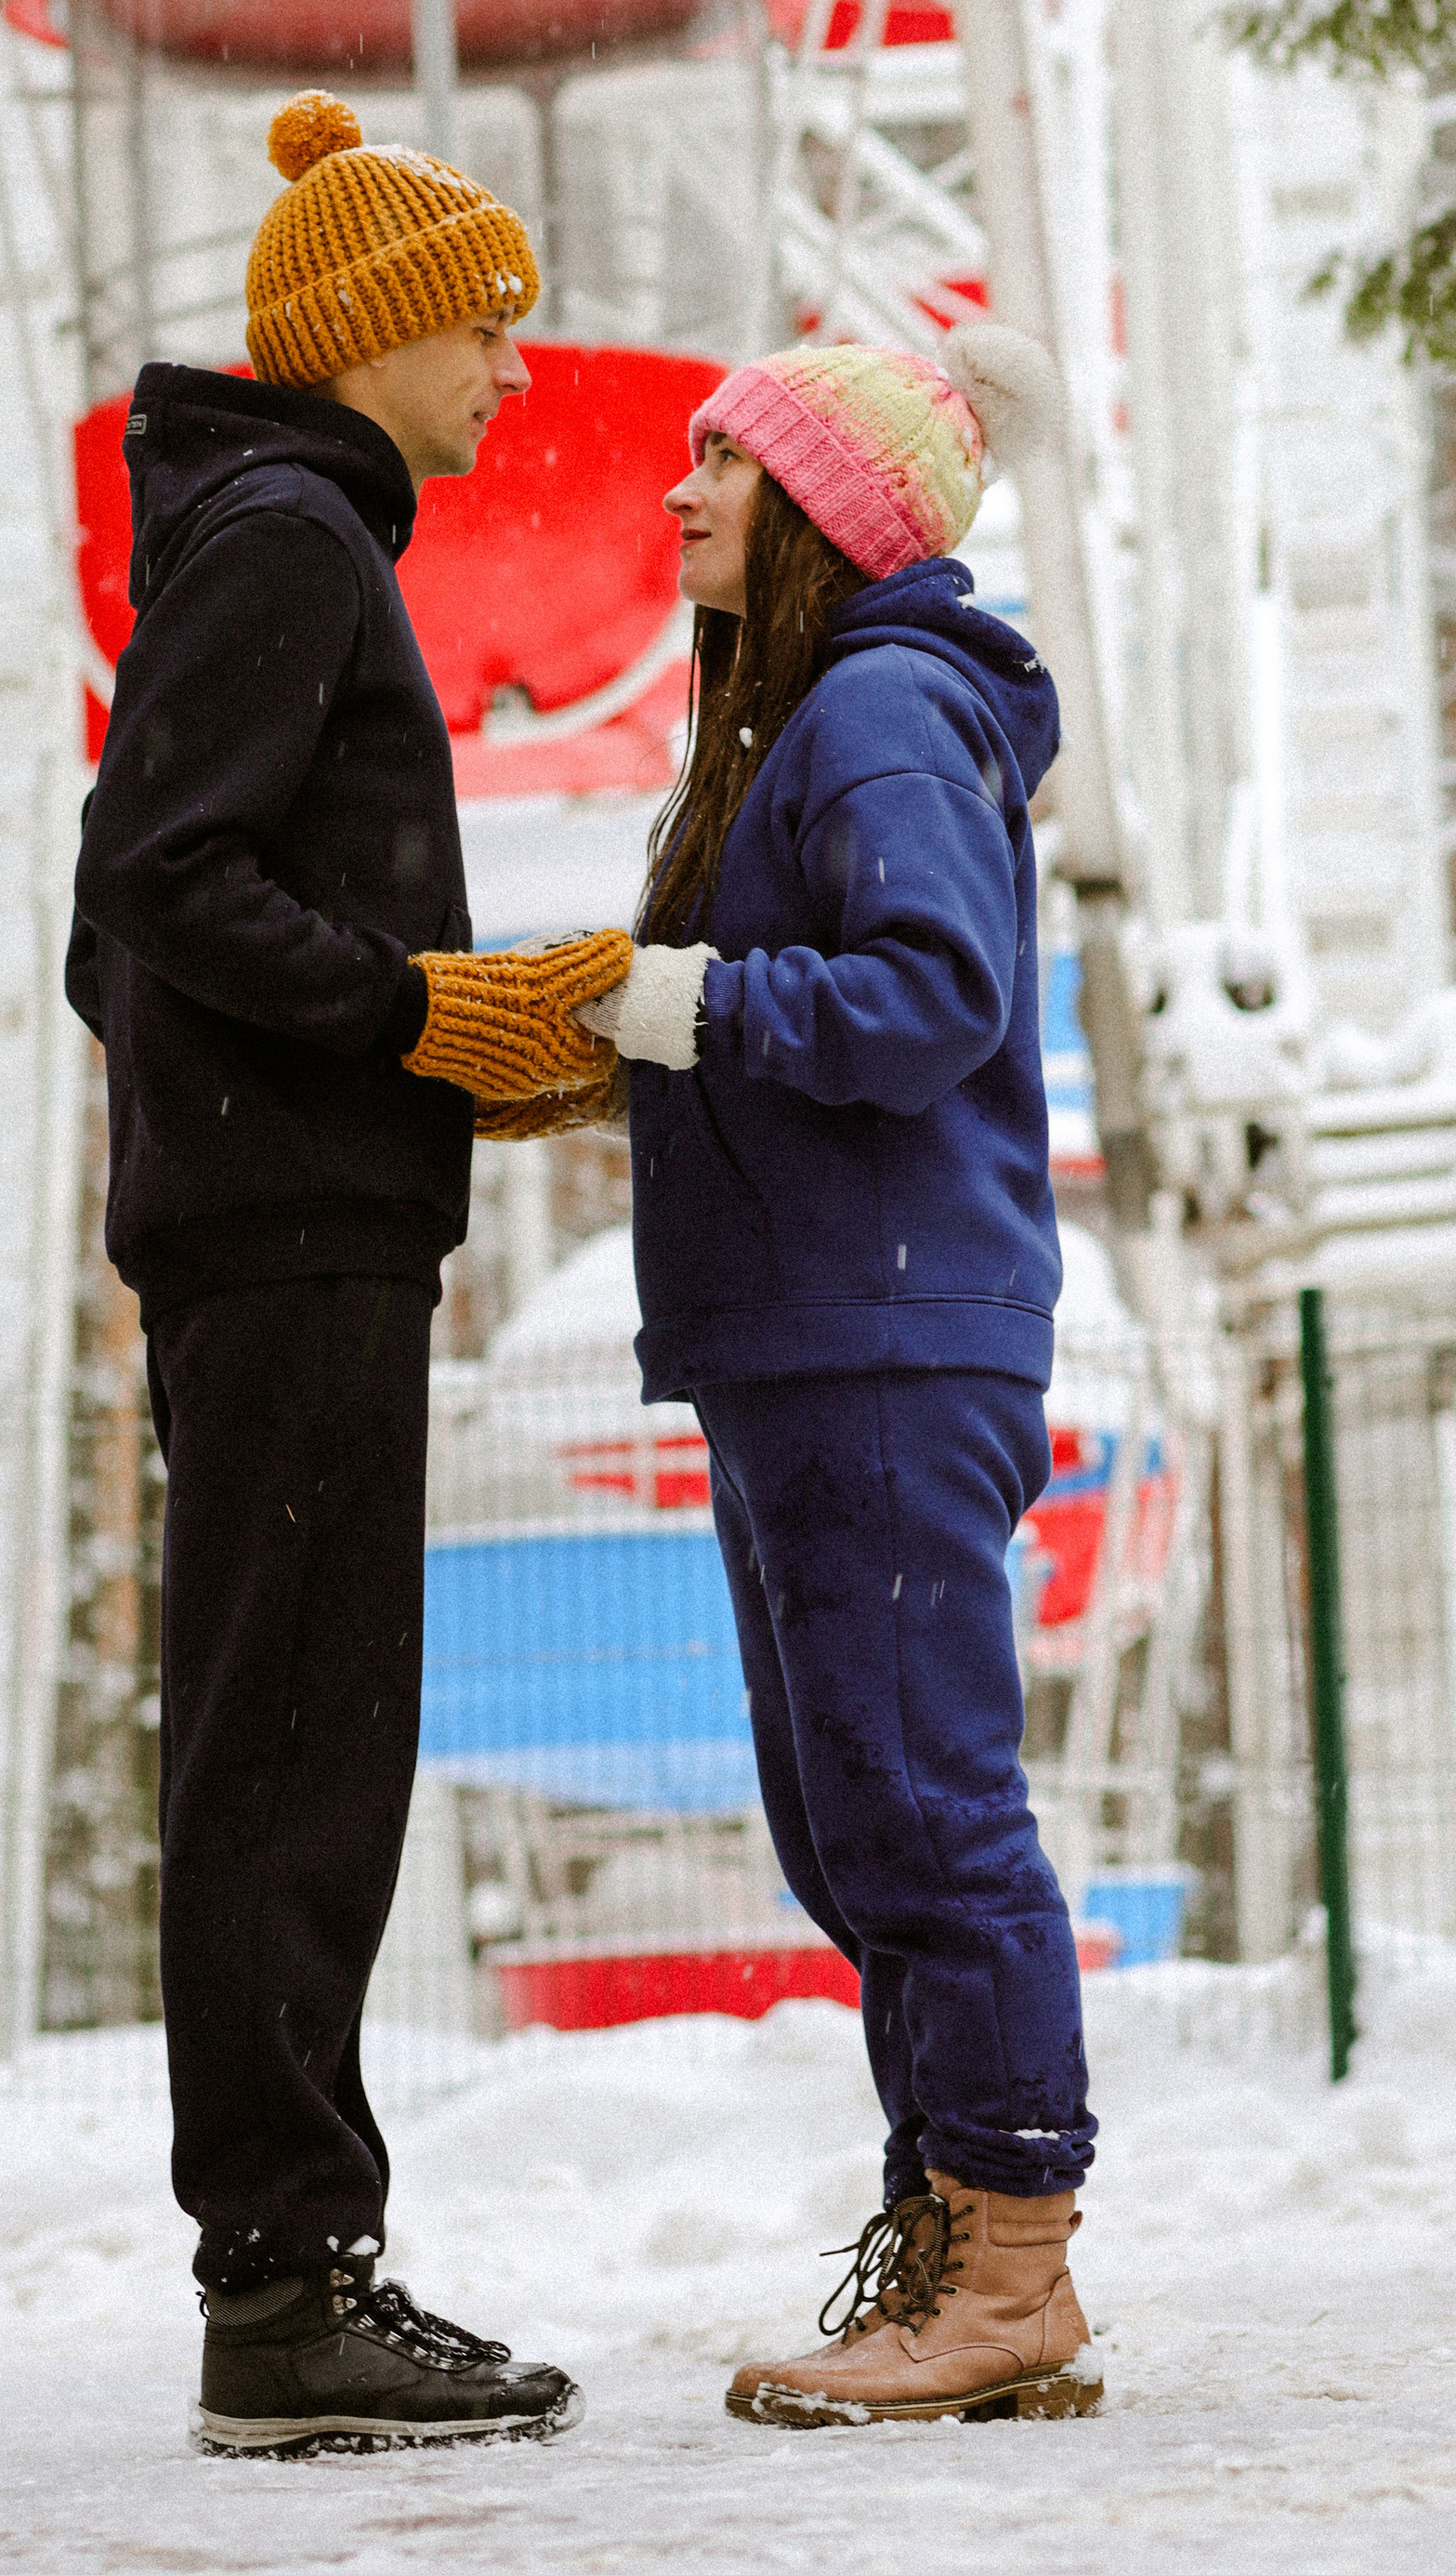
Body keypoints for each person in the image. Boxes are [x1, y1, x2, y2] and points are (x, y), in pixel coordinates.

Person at [65, 89, 623, 2457]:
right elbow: (155, 881)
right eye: (481, 322)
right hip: (288, 1252)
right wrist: (404, 1026)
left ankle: (293, 2272)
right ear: (375, 330)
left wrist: (401, 1070)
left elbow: (143, 924)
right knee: (296, 1755)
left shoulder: (266, 533)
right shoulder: (290, 535)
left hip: (283, 1224)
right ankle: (285, 2294)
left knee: (289, 1744)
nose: (514, 365)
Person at [579, 326, 1103, 2429]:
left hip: (880, 1334)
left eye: (725, 462)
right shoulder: (808, 715)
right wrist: (613, 1035)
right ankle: (952, 2244)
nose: (679, 491)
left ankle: (1010, 2272)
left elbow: (924, 998)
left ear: (824, 511)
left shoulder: (880, 709)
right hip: (815, 1332)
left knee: (923, 1806)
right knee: (850, 1814)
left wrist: (672, 1003)